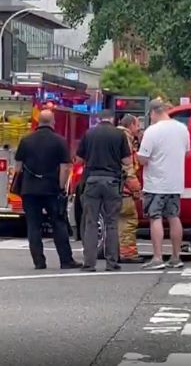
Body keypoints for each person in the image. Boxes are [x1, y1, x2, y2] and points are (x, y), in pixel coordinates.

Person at [14, 109, 82, 270]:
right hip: (51, 189)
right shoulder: (59, 141)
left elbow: (17, 167)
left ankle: (39, 262)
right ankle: (66, 260)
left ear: (38, 122)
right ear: (53, 122)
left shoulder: (26, 140)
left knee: (33, 225)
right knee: (58, 223)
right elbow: (65, 167)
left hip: (29, 189)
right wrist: (61, 186)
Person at [76, 109, 133, 272]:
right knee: (112, 223)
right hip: (112, 181)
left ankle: (89, 263)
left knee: (91, 222)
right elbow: (127, 161)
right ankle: (112, 262)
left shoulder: (89, 134)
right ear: (113, 119)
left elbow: (79, 159)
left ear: (98, 119)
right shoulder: (119, 135)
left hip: (92, 180)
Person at [137, 99, 191, 270]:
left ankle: (158, 257)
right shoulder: (182, 129)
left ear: (153, 112)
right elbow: (186, 152)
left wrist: (137, 156)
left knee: (156, 218)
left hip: (156, 183)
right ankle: (176, 257)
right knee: (174, 217)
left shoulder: (152, 131)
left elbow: (144, 158)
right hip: (175, 182)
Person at [117, 114, 143, 263]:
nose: (138, 129)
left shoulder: (113, 135)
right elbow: (128, 167)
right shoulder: (125, 139)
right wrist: (136, 189)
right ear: (131, 125)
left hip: (110, 188)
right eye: (137, 125)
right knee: (128, 221)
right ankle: (128, 254)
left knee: (114, 223)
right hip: (124, 190)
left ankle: (114, 252)